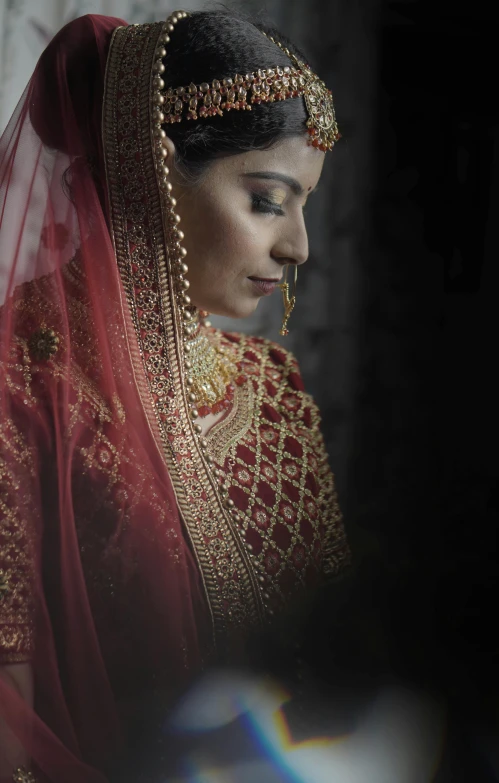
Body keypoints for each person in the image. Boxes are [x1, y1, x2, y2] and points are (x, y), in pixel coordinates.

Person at [0, 9, 350, 782]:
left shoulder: (272, 389)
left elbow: (330, 668)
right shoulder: (17, 384)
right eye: (267, 199)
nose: (298, 246)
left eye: (303, 205)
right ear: (150, 171)